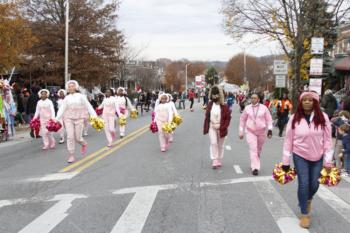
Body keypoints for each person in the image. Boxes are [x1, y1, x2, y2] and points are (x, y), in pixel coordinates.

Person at [281, 91, 333, 229]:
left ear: (315, 102)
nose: (307, 102)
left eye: (310, 100)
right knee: (304, 183)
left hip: (318, 156)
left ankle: (307, 199)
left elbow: (328, 140)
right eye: (305, 100)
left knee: (314, 184)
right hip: (300, 155)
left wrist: (328, 160)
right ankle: (304, 214)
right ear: (301, 102)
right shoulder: (294, 118)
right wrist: (286, 161)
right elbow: (288, 140)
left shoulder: (323, 118)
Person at [55, 80, 97, 163]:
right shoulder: (67, 98)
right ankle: (71, 155)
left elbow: (88, 106)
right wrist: (56, 119)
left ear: (76, 87)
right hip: (68, 119)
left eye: (72, 86)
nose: (71, 88)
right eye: (69, 86)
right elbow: (62, 109)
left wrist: (94, 116)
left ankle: (83, 143)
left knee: (78, 138)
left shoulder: (81, 96)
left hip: (79, 118)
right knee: (70, 137)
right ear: (67, 88)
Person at [239, 93, 273, 176]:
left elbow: (269, 119)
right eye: (252, 98)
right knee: (253, 148)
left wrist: (270, 130)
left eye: (255, 98)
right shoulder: (247, 108)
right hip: (250, 131)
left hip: (261, 132)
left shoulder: (264, 108)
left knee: (258, 150)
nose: (253, 99)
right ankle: (255, 168)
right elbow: (242, 120)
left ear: (258, 99)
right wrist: (241, 131)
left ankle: (254, 161)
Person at [203, 86, 231, 169]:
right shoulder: (210, 104)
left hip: (221, 127)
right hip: (212, 126)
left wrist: (225, 126)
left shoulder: (224, 106)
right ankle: (214, 159)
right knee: (213, 143)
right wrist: (206, 126)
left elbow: (228, 118)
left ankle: (219, 158)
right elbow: (207, 116)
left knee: (220, 145)